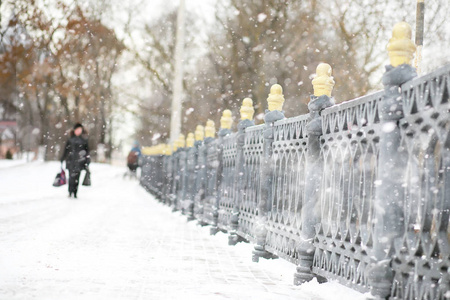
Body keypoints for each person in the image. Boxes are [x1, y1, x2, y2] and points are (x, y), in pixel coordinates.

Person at [60, 123, 90, 198]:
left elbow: (87, 151)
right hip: (71, 161)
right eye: (77, 129)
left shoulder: (84, 140)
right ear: (74, 130)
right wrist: (62, 158)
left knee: (77, 178)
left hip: (80, 162)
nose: (78, 131)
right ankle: (70, 192)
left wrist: (87, 160)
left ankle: (75, 192)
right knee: (71, 177)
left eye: (80, 129)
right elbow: (66, 150)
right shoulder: (70, 139)